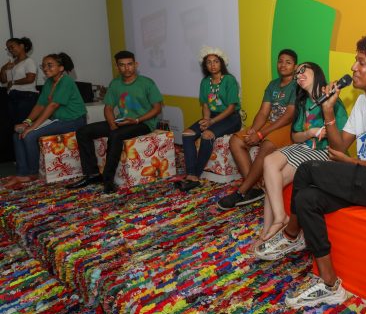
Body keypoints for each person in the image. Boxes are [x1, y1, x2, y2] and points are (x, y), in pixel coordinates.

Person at [254, 33, 366, 309]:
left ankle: (290, 235)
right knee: (307, 199)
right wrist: (329, 111)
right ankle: (330, 284)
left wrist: (350, 162)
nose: (353, 68)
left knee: (307, 170)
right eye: (355, 61)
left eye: (361, 63)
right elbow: (339, 144)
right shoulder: (361, 103)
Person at [251, 62, 348, 249]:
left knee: (273, 173)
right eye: (297, 74)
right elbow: (295, 136)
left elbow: (342, 143)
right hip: (303, 148)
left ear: (316, 72)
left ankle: (277, 222)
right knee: (270, 168)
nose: (299, 75)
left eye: (303, 70)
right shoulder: (302, 102)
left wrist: (328, 129)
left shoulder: (333, 101)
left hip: (324, 153)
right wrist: (310, 132)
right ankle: (271, 227)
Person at [66, 50, 163, 194]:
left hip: (143, 123)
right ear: (117, 67)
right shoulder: (115, 83)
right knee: (83, 131)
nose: (126, 68)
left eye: (130, 64)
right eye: (122, 65)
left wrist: (137, 120)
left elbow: (157, 108)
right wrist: (111, 123)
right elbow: (108, 107)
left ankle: (108, 180)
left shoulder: (147, 83)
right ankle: (92, 174)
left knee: (116, 135)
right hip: (123, 121)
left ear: (136, 65)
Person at [217, 49, 298, 209]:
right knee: (236, 140)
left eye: (288, 62)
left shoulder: (297, 85)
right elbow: (263, 112)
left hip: (288, 126)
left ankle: (241, 192)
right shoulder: (273, 84)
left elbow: (289, 116)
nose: (283, 65)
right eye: (280, 61)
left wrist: (261, 134)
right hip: (271, 123)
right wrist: (253, 130)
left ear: (295, 67)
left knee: (266, 145)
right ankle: (255, 188)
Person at [4, 53, 86, 187]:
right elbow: (40, 105)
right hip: (58, 120)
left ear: (61, 68)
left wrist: (32, 127)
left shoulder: (66, 81)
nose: (45, 68)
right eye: (43, 66)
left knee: (29, 135)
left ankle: (32, 173)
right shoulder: (49, 82)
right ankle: (21, 173)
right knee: (17, 135)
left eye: (50, 65)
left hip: (74, 121)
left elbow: (53, 105)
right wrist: (27, 122)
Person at [177, 47, 242, 192]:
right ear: (205, 66)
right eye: (209, 62)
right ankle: (191, 173)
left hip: (231, 118)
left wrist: (211, 123)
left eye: (216, 61)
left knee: (207, 136)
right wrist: (206, 120)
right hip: (212, 117)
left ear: (222, 63)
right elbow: (205, 105)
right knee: (187, 134)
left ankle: (194, 175)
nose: (212, 65)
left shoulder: (229, 80)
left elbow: (231, 107)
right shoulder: (205, 82)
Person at [1, 37, 38, 126]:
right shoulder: (11, 63)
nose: (10, 50)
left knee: (22, 125)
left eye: (12, 47)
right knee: (14, 125)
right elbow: (3, 81)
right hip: (12, 96)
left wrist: (13, 82)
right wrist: (3, 69)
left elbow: (30, 79)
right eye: (8, 48)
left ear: (21, 46)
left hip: (25, 96)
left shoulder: (29, 61)